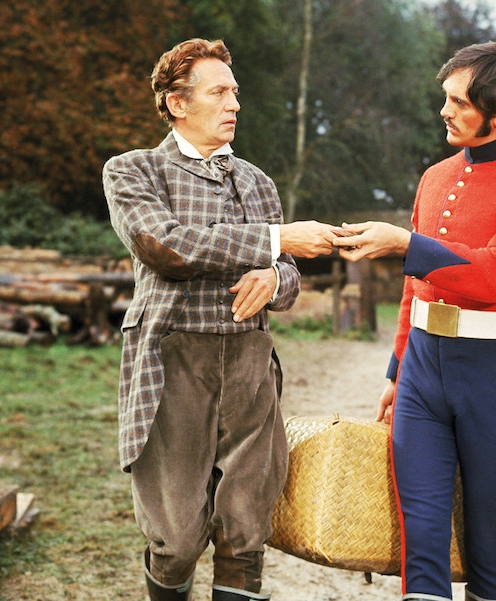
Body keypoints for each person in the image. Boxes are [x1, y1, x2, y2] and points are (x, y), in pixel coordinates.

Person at [333, 42, 496, 601]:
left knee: (485, 549)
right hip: (420, 373)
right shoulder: (434, 176)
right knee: (420, 539)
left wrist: (405, 242)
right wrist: (397, 372)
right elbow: (412, 292)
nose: (443, 110)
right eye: (444, 97)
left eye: (458, 102)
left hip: (490, 378)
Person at [102, 38, 338, 601]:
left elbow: (288, 277)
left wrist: (278, 277)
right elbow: (167, 248)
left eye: (235, 92)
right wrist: (276, 240)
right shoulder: (134, 172)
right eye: (220, 92)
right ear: (178, 104)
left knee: (244, 531)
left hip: (249, 365)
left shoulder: (257, 183)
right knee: (178, 537)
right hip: (171, 361)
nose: (234, 104)